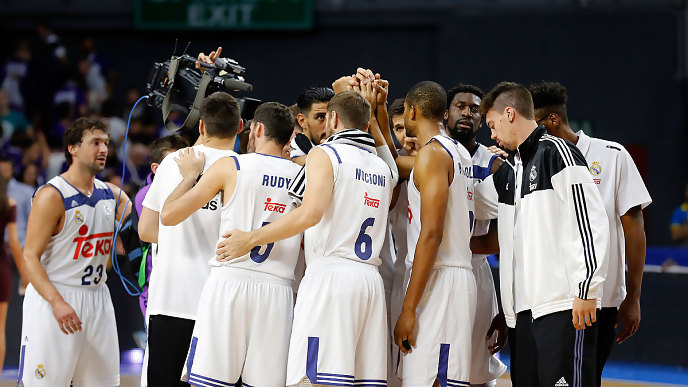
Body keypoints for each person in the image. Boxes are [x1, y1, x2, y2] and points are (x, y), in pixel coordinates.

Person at [218, 89, 398, 387]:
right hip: (370, 283)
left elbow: (308, 213)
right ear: (367, 125)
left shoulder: (324, 153)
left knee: (313, 379)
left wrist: (250, 238)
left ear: (334, 118)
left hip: (331, 279)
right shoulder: (382, 168)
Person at [473, 82, 609, 387]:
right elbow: (473, 201)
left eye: (493, 125)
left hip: (562, 306)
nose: (492, 134)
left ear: (510, 114)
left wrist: (587, 287)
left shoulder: (557, 152)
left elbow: (590, 221)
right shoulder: (512, 169)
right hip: (524, 313)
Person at [160, 102, 301, 387]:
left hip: (230, 284)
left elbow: (169, 215)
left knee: (209, 382)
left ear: (257, 129)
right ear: (290, 138)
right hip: (278, 290)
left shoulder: (232, 164)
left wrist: (190, 177)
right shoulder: (304, 174)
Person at [530, 81, 652, 386]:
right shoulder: (531, 163)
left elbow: (634, 227)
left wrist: (634, 295)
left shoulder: (611, 155)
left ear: (552, 120)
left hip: (602, 299)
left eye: (534, 125)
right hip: (551, 299)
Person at [18, 117, 131, 386]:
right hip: (56, 296)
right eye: (95, 143)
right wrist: (57, 303)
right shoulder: (52, 195)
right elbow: (28, 256)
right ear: (73, 148)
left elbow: (136, 240)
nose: (103, 149)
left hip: (97, 296)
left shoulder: (114, 195)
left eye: (106, 143)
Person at [138, 92, 240, 387]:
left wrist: (178, 236)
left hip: (171, 299)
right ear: (241, 127)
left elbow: (146, 230)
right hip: (221, 300)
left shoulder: (174, 164)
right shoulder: (244, 169)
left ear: (201, 127)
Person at [392, 81, 476, 387]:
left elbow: (431, 235)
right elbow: (394, 165)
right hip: (450, 276)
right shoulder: (458, 153)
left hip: (441, 280)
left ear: (412, 111)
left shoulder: (433, 155)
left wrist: (408, 308)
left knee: (432, 381)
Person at [445, 83, 507, 387]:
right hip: (435, 268)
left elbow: (498, 240)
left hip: (475, 271)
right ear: (445, 112)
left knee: (477, 367)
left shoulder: (494, 164)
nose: (467, 113)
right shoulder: (432, 155)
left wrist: (453, 243)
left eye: (474, 109)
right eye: (460, 106)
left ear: (483, 121)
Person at [0, 173, 25, 377]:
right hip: (2, 269)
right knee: (0, 329)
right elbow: (15, 243)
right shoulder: (8, 202)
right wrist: (25, 273)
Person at [289, 87, 335, 159]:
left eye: (332, 116)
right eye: (320, 117)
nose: (329, 125)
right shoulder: (290, 163)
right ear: (302, 121)